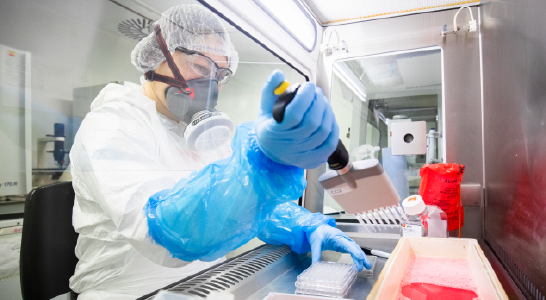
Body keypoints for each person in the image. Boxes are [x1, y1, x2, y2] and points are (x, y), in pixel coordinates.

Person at [68, 4, 370, 300]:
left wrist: (303, 225)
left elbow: (240, 207)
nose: (210, 84)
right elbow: (167, 233)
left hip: (207, 285)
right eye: (200, 67)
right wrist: (261, 163)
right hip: (123, 292)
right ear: (159, 55)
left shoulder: (202, 138)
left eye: (221, 74)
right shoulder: (111, 126)